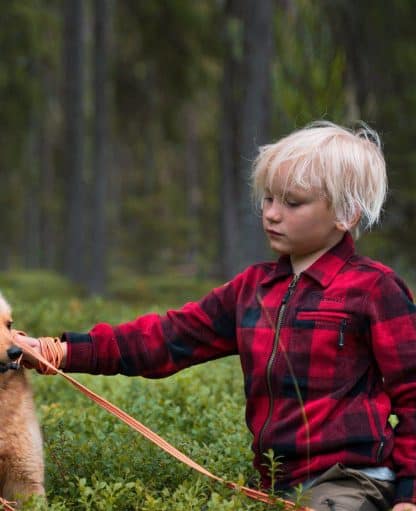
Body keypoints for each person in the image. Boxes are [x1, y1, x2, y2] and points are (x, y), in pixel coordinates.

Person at [16, 122, 416, 511]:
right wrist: (61, 351)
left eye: (292, 202)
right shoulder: (251, 289)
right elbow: (166, 339)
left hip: (352, 480)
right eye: (268, 199)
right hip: (278, 484)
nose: (272, 214)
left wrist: (409, 496)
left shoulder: (375, 289)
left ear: (346, 214)